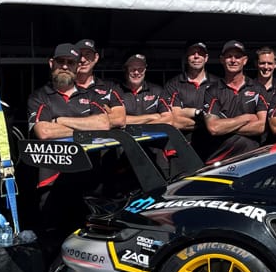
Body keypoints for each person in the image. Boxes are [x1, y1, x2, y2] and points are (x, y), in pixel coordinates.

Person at [26, 43, 112, 255]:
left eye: (70, 62)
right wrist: (85, 127)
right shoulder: (40, 97)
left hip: (88, 181)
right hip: (51, 183)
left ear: (76, 67)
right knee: (52, 245)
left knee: (88, 244)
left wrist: (61, 121)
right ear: (51, 64)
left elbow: (104, 124)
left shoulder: (91, 96)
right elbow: (44, 131)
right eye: (61, 62)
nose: (65, 66)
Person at [199, 40, 268, 162]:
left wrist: (225, 127)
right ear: (222, 60)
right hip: (222, 159)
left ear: (245, 60)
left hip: (252, 158)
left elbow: (261, 127)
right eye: (229, 56)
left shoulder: (258, 89)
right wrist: (246, 118)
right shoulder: (212, 90)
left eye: (237, 56)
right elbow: (214, 128)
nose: (233, 60)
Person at [165, 42, 223, 133]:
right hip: (184, 139)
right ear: (186, 57)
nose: (196, 56)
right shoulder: (173, 84)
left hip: (214, 140)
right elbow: (173, 119)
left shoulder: (218, 83)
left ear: (206, 58)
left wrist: (186, 113)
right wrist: (207, 121)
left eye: (200, 53)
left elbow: (223, 117)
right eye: (192, 53)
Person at [74, 38, 126, 127]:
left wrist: (70, 121)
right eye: (79, 55)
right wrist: (102, 118)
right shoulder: (64, 88)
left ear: (96, 57)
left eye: (88, 54)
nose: (82, 60)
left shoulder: (110, 88)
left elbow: (119, 120)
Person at [117, 53, 174, 126]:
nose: (136, 72)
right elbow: (114, 120)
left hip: (152, 133)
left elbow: (168, 120)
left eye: (140, 69)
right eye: (132, 69)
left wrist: (138, 125)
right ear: (125, 69)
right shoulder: (116, 91)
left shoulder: (157, 91)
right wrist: (152, 117)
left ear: (145, 70)